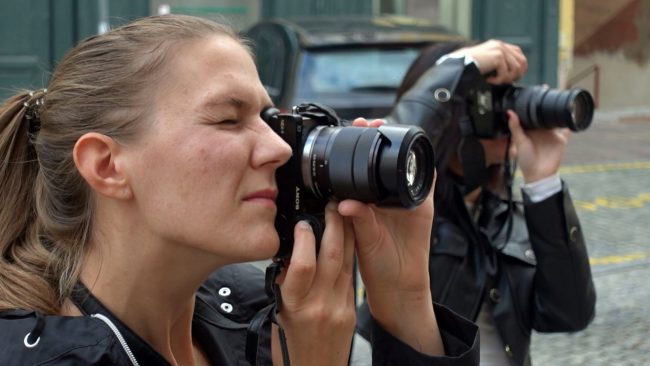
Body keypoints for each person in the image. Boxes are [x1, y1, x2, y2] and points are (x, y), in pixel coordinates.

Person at [0, 14, 479, 365]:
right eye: (229, 120)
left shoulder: (257, 307)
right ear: (106, 166)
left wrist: (404, 299)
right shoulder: (42, 356)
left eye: (270, 120)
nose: (278, 148)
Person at [358, 40, 597, 365]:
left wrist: (543, 183)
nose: (503, 112)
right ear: (447, 113)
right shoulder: (403, 218)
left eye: (505, 95)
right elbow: (388, 151)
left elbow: (569, 313)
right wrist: (458, 67)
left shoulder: (502, 215)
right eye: (485, 98)